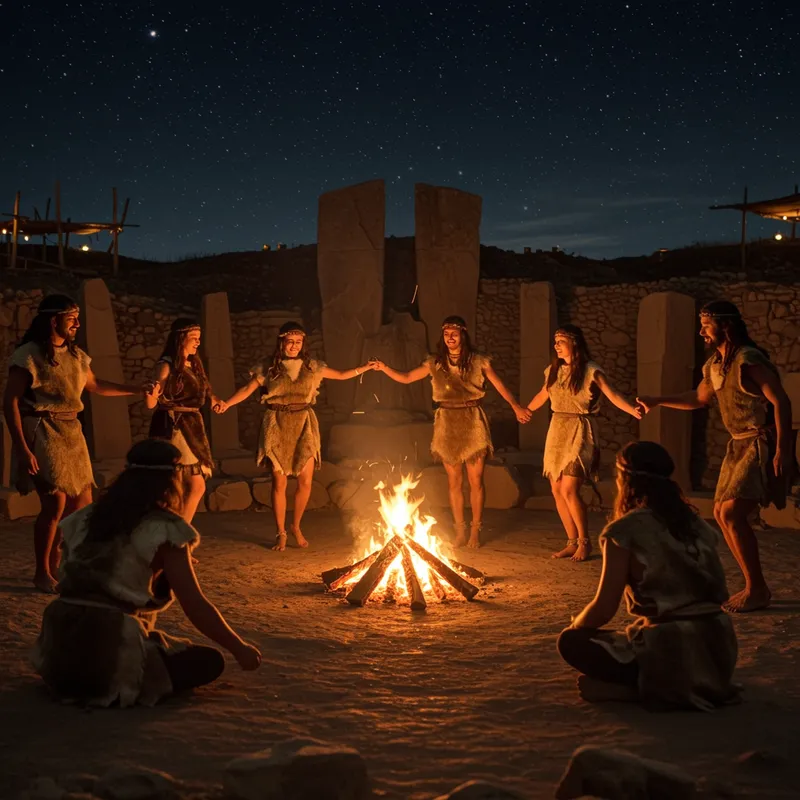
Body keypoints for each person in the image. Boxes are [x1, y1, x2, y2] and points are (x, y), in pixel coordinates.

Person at [30, 438, 261, 707]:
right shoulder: (164, 529)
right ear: (173, 478)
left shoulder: (85, 517)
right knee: (209, 662)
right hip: (108, 643)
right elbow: (195, 604)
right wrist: (239, 649)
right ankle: (114, 678)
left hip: (58, 644)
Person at [637, 300, 795, 613]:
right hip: (736, 446)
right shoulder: (714, 365)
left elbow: (781, 401)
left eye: (706, 324)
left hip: (757, 443)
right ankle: (754, 585)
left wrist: (783, 451)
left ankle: (757, 588)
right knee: (722, 513)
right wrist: (657, 400)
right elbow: (698, 398)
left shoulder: (748, 359)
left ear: (725, 326)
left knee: (734, 514)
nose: (701, 331)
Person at [557, 441, 739, 711]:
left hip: (673, 648)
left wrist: (576, 625)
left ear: (624, 479)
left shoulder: (624, 531)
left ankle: (641, 690)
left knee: (571, 641)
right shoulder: (695, 524)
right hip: (719, 648)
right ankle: (697, 682)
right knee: (634, 632)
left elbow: (603, 608)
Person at [3, 294, 155, 594]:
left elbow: (96, 386)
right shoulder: (28, 356)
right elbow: (10, 402)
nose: (77, 322)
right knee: (55, 503)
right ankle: (41, 572)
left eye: (76, 317)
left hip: (73, 432)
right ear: (53, 320)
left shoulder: (76, 356)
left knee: (82, 506)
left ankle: (67, 562)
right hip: (43, 430)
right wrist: (22, 448)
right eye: (71, 317)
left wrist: (136, 389)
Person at [372, 315, 531, 548]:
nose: (450, 337)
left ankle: (475, 531)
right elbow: (406, 378)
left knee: (475, 480)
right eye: (446, 334)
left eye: (454, 333)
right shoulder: (434, 363)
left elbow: (500, 386)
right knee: (454, 481)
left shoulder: (479, 362)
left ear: (463, 334)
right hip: (446, 421)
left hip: (472, 421)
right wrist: (384, 368)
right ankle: (460, 531)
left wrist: (516, 407)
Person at [215, 320, 374, 551]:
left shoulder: (312, 366)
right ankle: (280, 532)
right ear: (282, 342)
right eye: (290, 342)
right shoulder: (268, 367)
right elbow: (247, 389)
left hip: (304, 424)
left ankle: (296, 526)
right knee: (279, 483)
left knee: (305, 481)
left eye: (298, 342)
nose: (294, 346)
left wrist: (365, 368)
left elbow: (340, 374)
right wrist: (227, 404)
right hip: (276, 423)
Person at [525, 325, 642, 562]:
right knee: (556, 489)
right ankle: (571, 541)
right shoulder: (553, 371)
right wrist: (525, 410)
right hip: (557, 431)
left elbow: (613, 395)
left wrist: (633, 410)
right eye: (555, 341)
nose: (556, 345)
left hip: (580, 429)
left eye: (561, 341)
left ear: (575, 343)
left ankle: (584, 542)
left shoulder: (591, 371)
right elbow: (542, 395)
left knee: (569, 489)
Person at [146, 318, 222, 525]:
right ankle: (173, 539)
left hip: (193, 425)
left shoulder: (195, 364)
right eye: (194, 338)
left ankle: (179, 537)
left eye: (199, 338)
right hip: (175, 427)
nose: (198, 342)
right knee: (179, 487)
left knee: (193, 486)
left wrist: (214, 400)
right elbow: (152, 403)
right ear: (181, 339)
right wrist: (151, 394)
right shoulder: (166, 365)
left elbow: (204, 389)